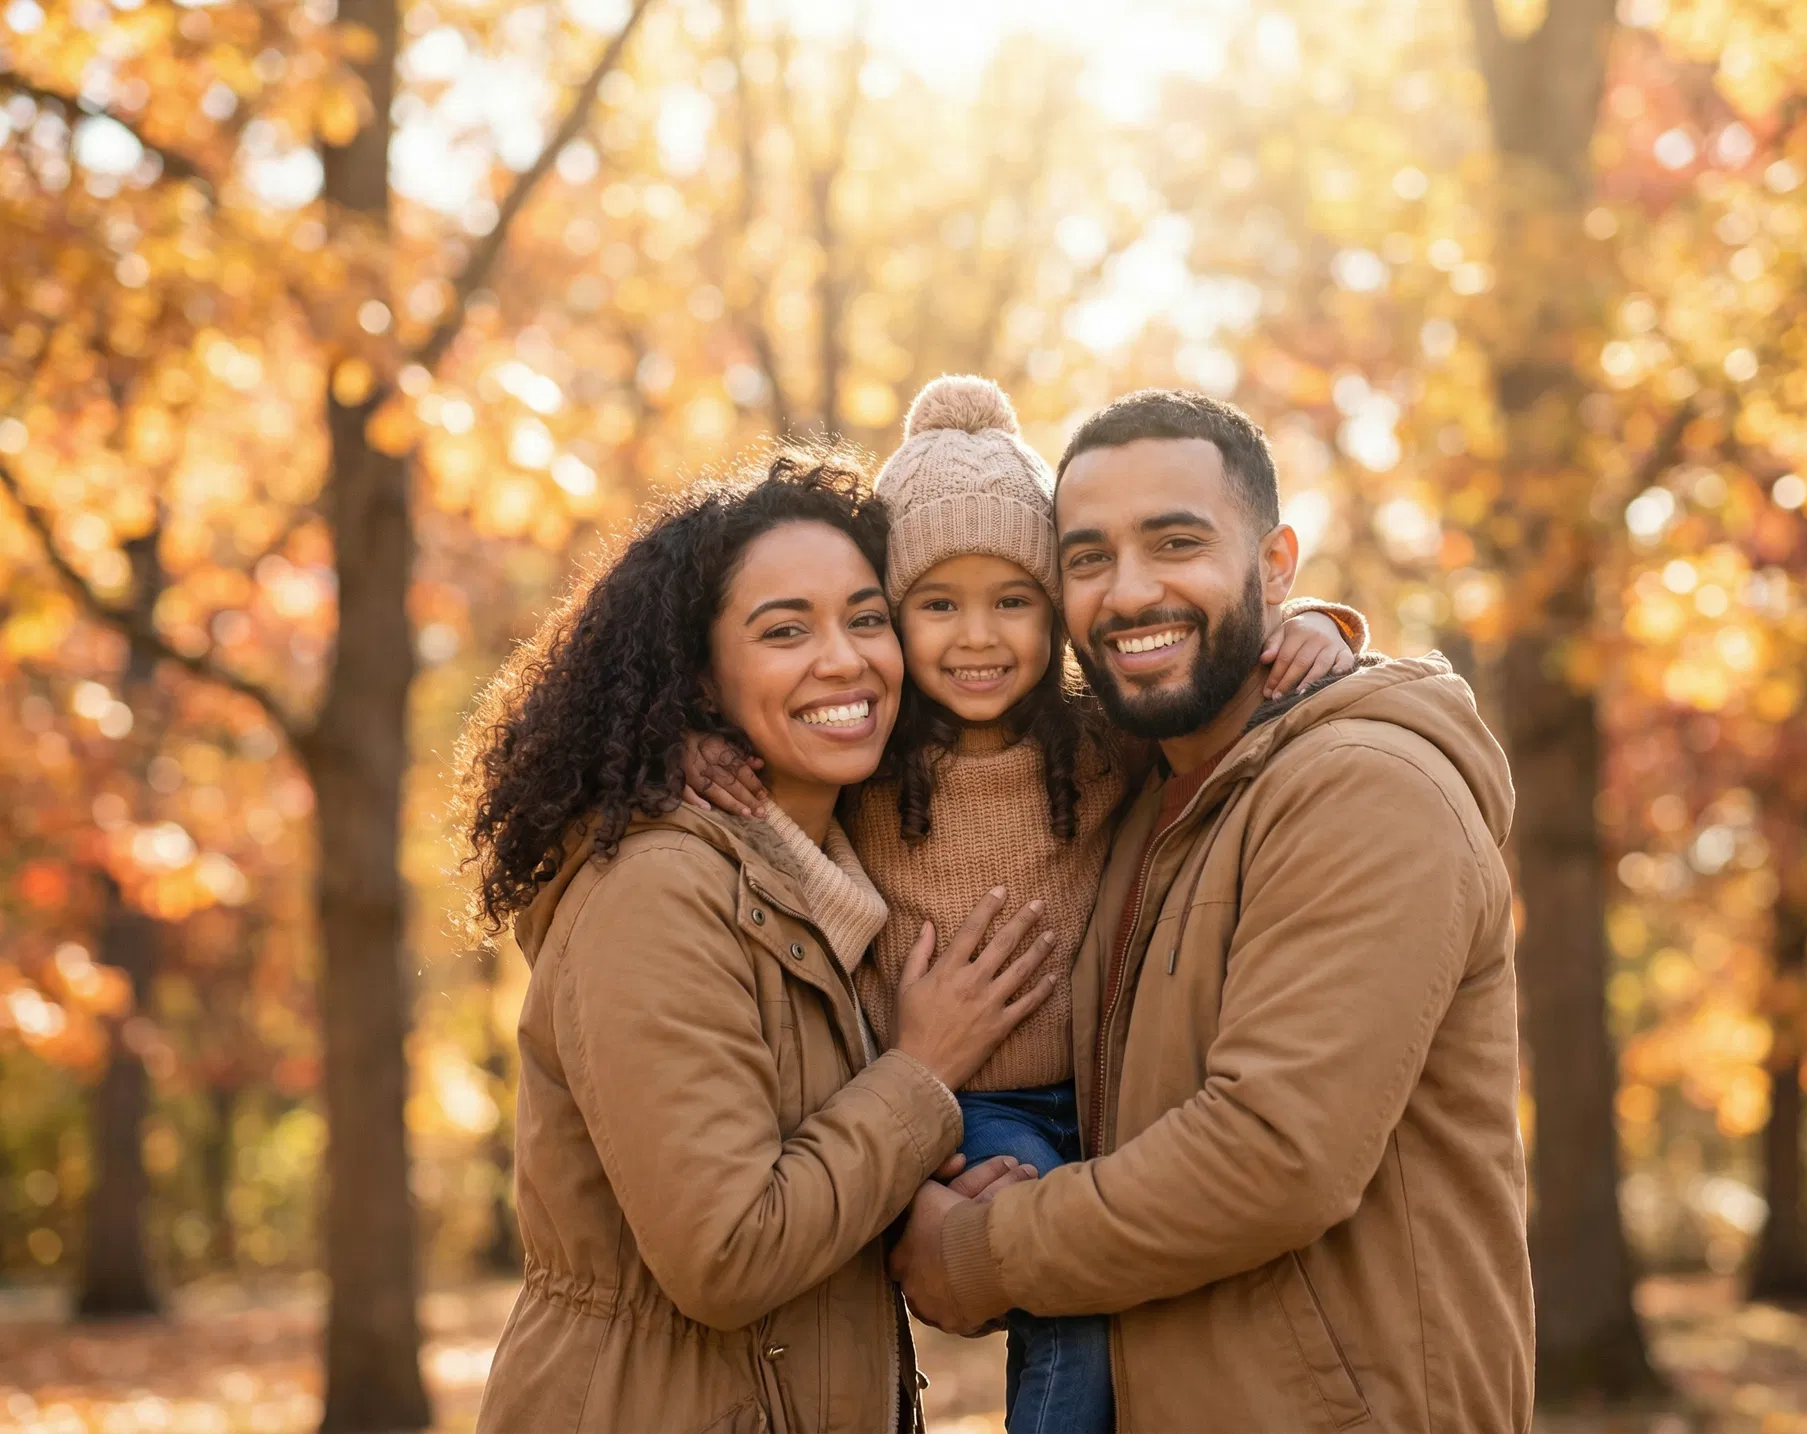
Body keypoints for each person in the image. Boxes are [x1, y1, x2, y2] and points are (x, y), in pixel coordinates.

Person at [684, 377, 1367, 1434]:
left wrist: (1316, 621)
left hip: (1111, 1085)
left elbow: (1202, 664)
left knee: (1138, 1288)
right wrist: (695, 741)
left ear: (1056, 609)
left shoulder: (1102, 740)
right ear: (893, 615)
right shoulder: (868, 760)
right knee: (1067, 1300)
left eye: (1014, 601)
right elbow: (794, 854)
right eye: (936, 605)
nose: (978, 638)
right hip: (976, 1105)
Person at [888, 390, 1535, 1433]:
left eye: (1176, 542)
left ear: (1276, 565)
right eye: (1088, 558)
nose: (1129, 592)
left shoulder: (1365, 790)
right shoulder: (1139, 795)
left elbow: (1274, 1156)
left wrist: (978, 1253)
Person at [460, 451, 1057, 1434]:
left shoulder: (838, 886)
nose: (845, 659)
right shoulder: (660, 888)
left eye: (868, 619)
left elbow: (805, 1170)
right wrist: (922, 1072)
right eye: (786, 631)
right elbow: (726, 1254)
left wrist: (935, 1198)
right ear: (701, 673)